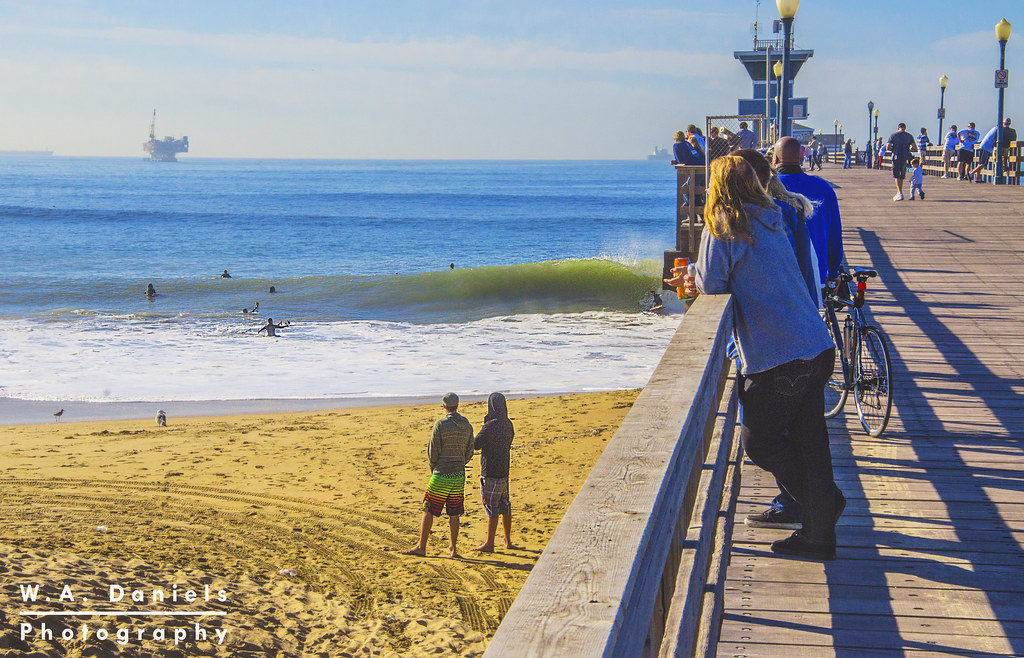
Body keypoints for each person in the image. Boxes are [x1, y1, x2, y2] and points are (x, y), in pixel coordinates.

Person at [670, 156, 843, 559]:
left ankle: (824, 505)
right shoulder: (771, 217)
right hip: (815, 345)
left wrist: (691, 276)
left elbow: (713, 283)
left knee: (759, 440)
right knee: (811, 442)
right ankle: (820, 536)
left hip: (779, 355)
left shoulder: (724, 225)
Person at [403, 393, 474, 558]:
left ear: (444, 406)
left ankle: (422, 546)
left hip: (442, 472)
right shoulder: (467, 425)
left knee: (428, 508)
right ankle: (453, 548)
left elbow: (433, 451)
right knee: (454, 512)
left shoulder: (440, 424)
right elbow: (470, 450)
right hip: (458, 473)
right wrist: (461, 462)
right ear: (457, 405)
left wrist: (434, 468)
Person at [472, 392, 517, 553]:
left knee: (491, 506)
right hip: (504, 469)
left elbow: (476, 444)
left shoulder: (490, 426)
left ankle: (490, 543)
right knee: (505, 504)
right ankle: (507, 539)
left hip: (490, 470)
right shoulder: (508, 424)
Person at [886, 123, 918, 201]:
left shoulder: (893, 135)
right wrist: (908, 149)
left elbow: (888, 147)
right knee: (902, 175)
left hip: (896, 157)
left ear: (898, 128)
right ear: (905, 128)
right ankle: (899, 192)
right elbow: (915, 148)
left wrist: (893, 149)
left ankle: (899, 193)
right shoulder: (909, 136)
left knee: (896, 175)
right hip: (904, 157)